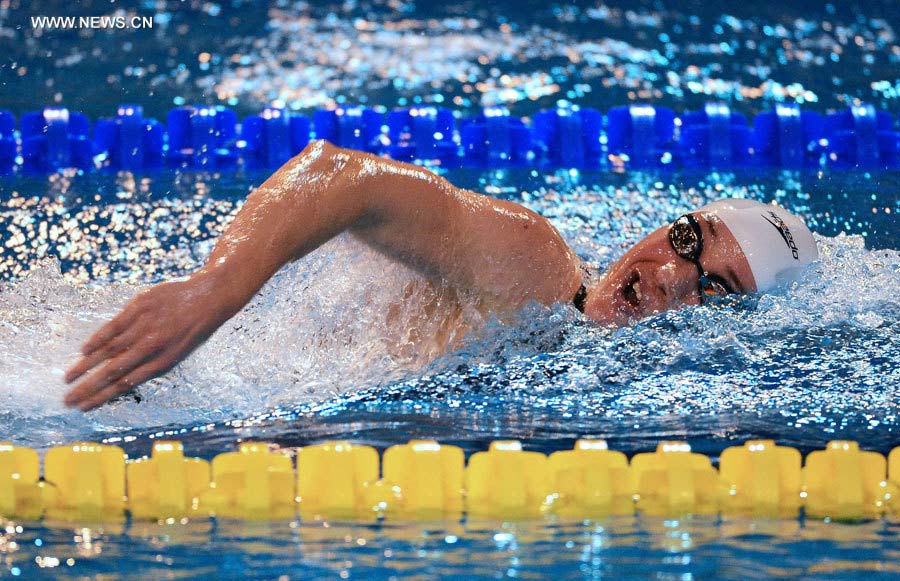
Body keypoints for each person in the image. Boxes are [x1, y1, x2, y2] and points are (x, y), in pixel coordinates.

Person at [63, 140, 818, 411]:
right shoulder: (537, 265)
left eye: (717, 288)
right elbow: (337, 175)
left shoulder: (568, 353)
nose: (673, 276)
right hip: (122, 358)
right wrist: (213, 289)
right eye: (689, 239)